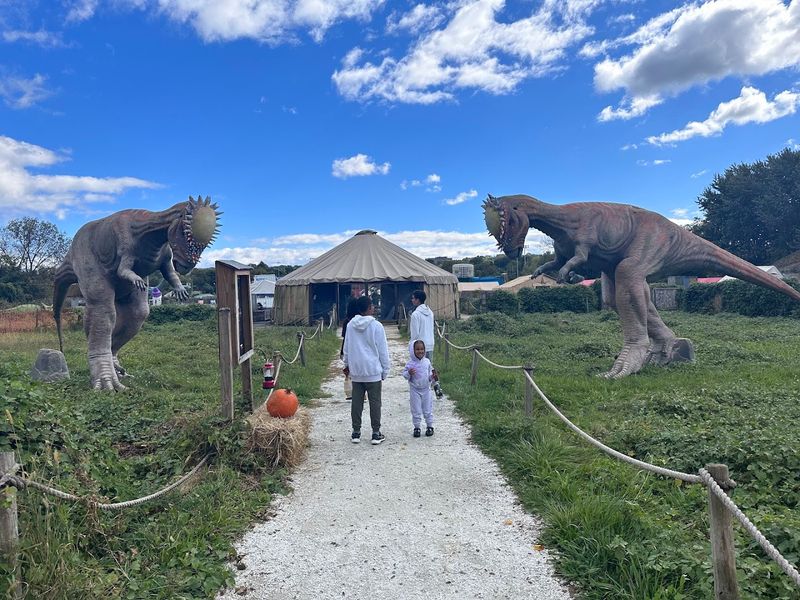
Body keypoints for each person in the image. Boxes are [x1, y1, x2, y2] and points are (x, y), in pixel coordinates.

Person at [343, 296, 390, 445]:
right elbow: (382, 350)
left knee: (356, 402)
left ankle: (356, 432)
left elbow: (347, 347)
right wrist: (385, 369)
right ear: (369, 308)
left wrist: (347, 364)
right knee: (375, 402)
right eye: (372, 306)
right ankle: (375, 433)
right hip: (372, 370)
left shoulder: (351, 325)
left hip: (357, 370)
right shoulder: (376, 326)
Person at [409, 289, 443, 398]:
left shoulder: (416, 314)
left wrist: (412, 346)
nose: (412, 300)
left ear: (418, 300)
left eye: (413, 298)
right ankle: (436, 384)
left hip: (419, 346)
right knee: (430, 367)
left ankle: (422, 389)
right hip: (430, 343)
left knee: (419, 368)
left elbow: (415, 333)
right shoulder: (430, 312)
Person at [402, 339, 435, 437]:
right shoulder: (410, 364)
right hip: (415, 390)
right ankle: (417, 427)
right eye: (417, 349)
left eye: (422, 349)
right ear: (413, 350)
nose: (420, 351)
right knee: (415, 409)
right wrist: (409, 373)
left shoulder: (427, 362)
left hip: (426, 389)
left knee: (427, 408)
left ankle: (429, 426)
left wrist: (433, 377)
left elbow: (429, 376)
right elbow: (404, 375)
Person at [340, 298, 360, 401]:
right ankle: (361, 392)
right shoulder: (360, 322)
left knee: (349, 372)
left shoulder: (346, 322)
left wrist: (342, 352)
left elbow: (345, 339)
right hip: (358, 349)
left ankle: (350, 392)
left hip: (349, 348)